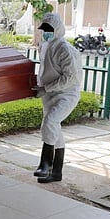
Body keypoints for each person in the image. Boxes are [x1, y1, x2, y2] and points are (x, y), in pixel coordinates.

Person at [33, 13, 82, 184]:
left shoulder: (65, 49)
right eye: (44, 29)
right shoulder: (45, 46)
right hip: (49, 94)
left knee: (50, 122)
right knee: (55, 129)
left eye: (49, 29)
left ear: (58, 29)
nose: (45, 32)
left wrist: (46, 88)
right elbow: (45, 70)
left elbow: (70, 78)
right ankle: (56, 172)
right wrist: (41, 86)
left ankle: (45, 163)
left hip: (66, 94)